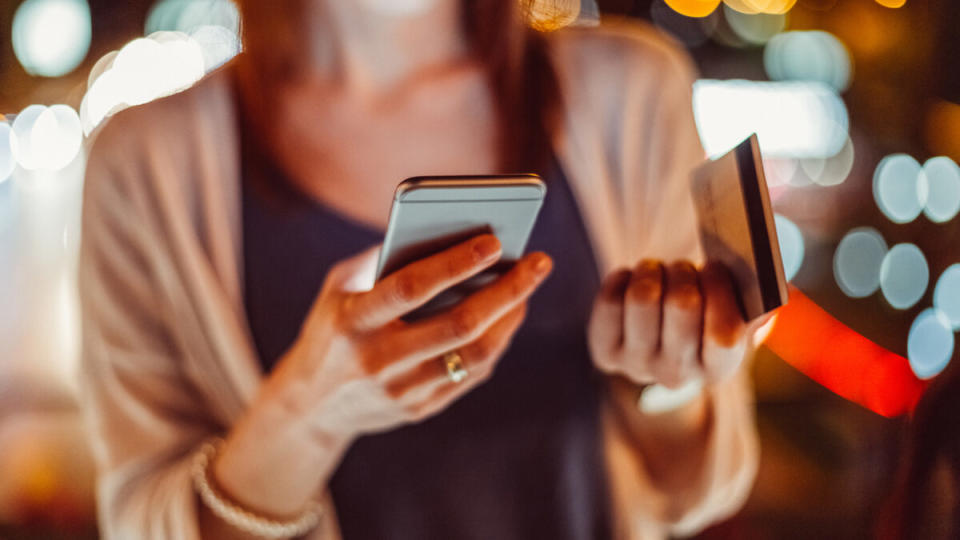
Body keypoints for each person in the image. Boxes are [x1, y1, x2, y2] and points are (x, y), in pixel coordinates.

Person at [79, 1, 759, 538]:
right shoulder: (144, 167)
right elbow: (141, 521)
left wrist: (666, 384)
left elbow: (697, 492)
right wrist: (305, 415)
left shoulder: (633, 92)